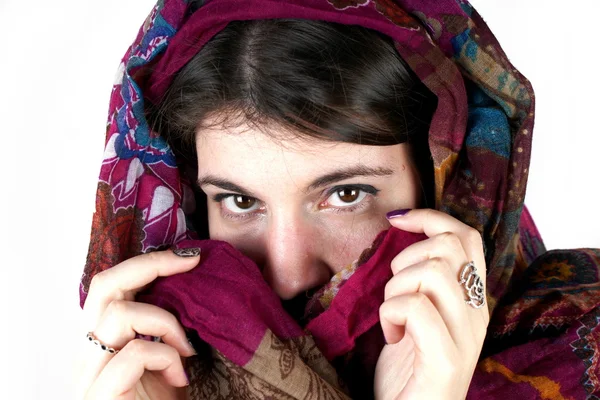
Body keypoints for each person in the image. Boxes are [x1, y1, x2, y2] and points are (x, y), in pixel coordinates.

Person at [75, 0, 600, 399]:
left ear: (446, 181)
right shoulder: (158, 372)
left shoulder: (583, 344)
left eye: (346, 194)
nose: (286, 275)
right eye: (238, 202)